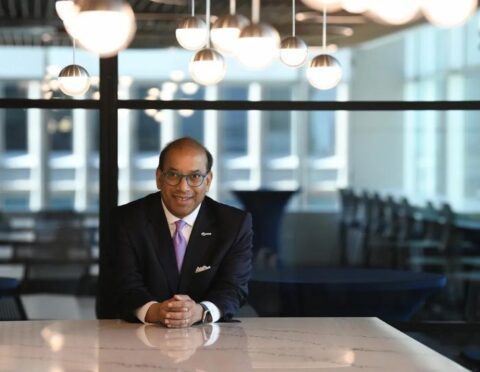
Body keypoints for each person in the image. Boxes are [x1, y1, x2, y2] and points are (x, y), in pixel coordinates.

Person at [109, 137, 253, 327]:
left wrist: (200, 311)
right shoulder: (127, 220)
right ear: (159, 178)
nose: (183, 187)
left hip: (210, 341)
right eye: (173, 175)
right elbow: (125, 286)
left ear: (208, 181)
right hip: (140, 337)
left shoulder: (234, 224)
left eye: (194, 177)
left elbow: (233, 288)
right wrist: (157, 311)